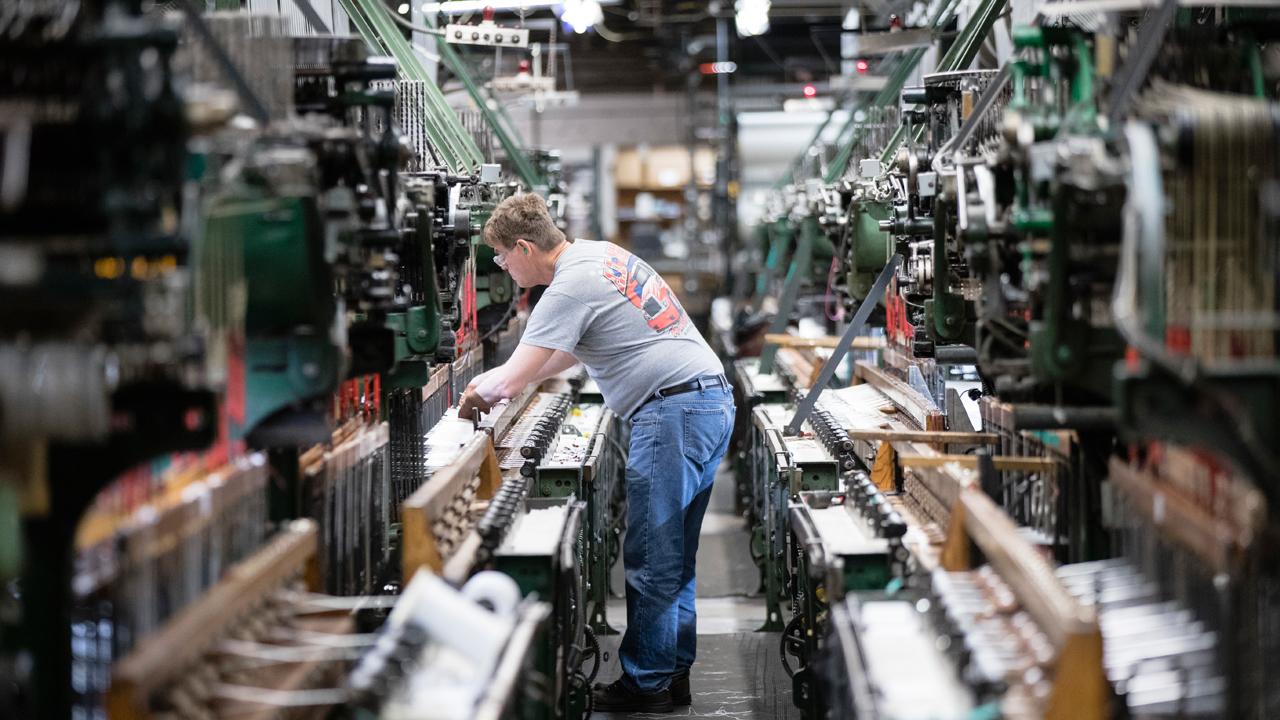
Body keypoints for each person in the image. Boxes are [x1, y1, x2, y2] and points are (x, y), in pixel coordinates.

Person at [459, 193, 734, 713]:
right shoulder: (598, 256)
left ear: (523, 247)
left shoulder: (570, 285)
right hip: (706, 402)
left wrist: (477, 393)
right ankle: (672, 673)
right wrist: (505, 381)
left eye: (500, 257)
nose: (501, 267)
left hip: (671, 413)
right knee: (674, 555)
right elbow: (561, 353)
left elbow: (515, 375)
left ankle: (646, 684)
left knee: (652, 556)